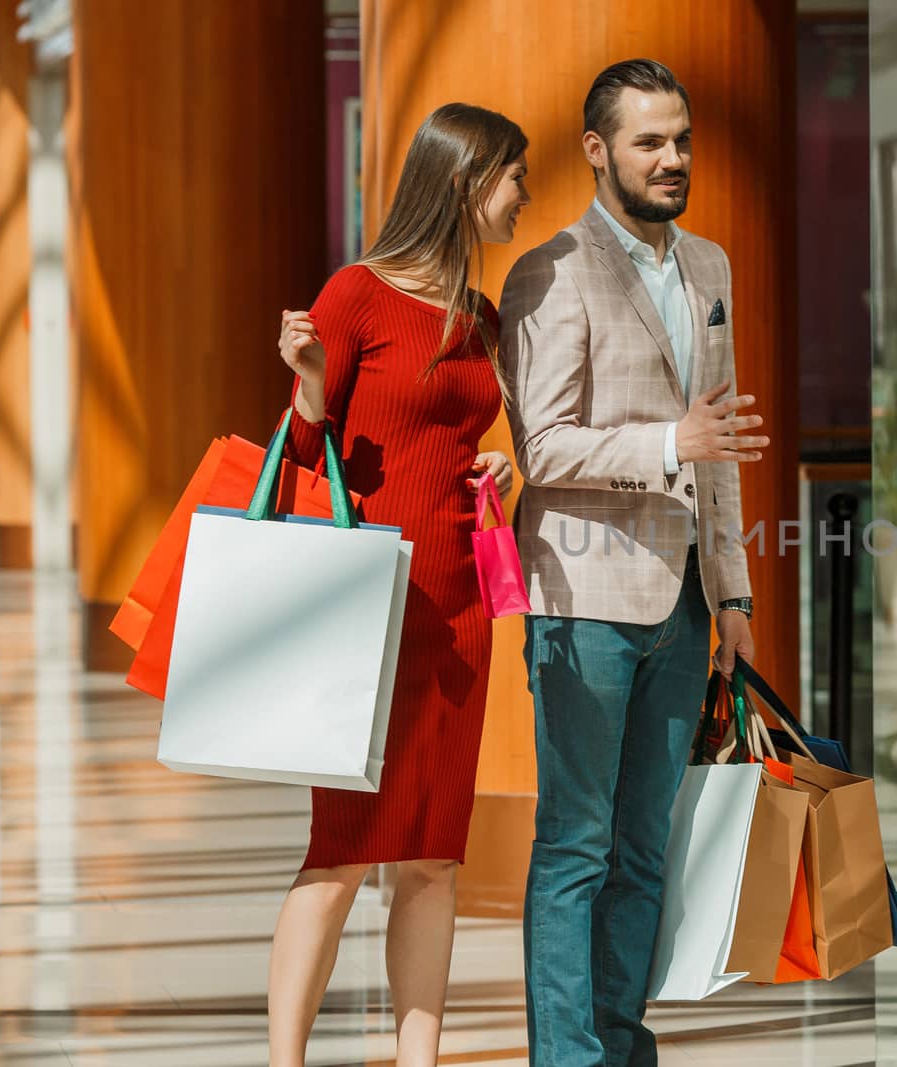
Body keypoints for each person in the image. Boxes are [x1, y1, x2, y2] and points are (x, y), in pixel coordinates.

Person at [499, 58, 767, 1066]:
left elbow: (722, 436)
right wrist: (667, 445)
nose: (672, 157)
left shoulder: (709, 267)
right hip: (584, 598)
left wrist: (733, 586)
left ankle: (619, 1043)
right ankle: (564, 1055)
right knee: (576, 844)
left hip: (686, 601)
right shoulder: (551, 269)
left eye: (681, 138)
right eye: (650, 141)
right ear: (597, 150)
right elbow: (546, 447)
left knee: (644, 847)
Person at [270, 102, 530, 1067]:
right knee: (338, 854)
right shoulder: (356, 296)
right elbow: (301, 452)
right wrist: (305, 379)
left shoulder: (481, 317)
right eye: (515, 177)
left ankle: (419, 1060)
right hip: (365, 608)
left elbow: (454, 443)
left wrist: (506, 470)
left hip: (459, 607)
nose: (524, 195)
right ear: (465, 183)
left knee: (434, 858)